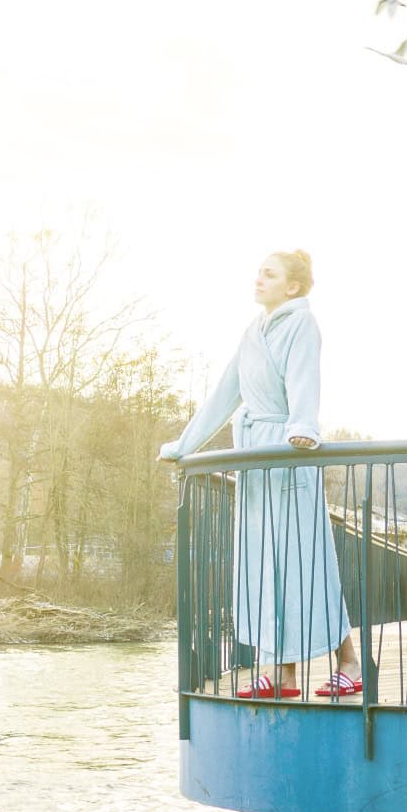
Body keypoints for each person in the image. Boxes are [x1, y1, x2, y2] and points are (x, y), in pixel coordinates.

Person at [159, 250, 361, 698]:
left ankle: (350, 661)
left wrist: (302, 429)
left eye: (269, 274)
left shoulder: (302, 325)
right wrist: (185, 445)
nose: (258, 278)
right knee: (267, 565)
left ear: (292, 286)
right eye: (259, 272)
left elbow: (306, 381)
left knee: (305, 563)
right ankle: (283, 674)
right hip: (255, 457)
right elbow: (224, 394)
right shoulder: (253, 331)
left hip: (288, 452)